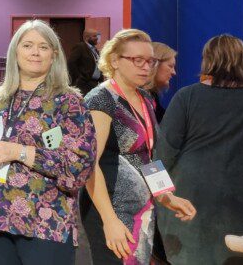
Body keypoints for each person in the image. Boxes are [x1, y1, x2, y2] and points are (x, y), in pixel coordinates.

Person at [0, 19, 96, 264]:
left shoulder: (68, 103)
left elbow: (78, 168)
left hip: (46, 224)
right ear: (15, 52)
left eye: (43, 47)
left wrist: (19, 152)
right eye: (28, 45)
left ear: (54, 55)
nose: (35, 52)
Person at [81, 29, 196, 265]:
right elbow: (89, 166)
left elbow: (148, 155)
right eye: (137, 60)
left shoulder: (145, 97)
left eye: (150, 61)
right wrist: (110, 220)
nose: (146, 67)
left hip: (142, 208)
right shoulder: (100, 100)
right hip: (111, 208)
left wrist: (165, 195)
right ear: (115, 60)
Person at [155, 34, 243, 265]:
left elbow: (160, 156)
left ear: (207, 61)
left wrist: (161, 198)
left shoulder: (187, 97)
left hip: (189, 202)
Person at [147, 42, 176, 123]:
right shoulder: (137, 95)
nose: (174, 72)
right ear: (155, 64)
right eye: (170, 66)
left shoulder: (152, 95)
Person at [68, 28, 103, 95]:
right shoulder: (80, 47)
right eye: (94, 36)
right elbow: (71, 62)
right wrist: (78, 77)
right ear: (87, 37)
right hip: (84, 84)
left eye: (97, 36)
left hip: (95, 83)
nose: (97, 38)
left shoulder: (95, 50)